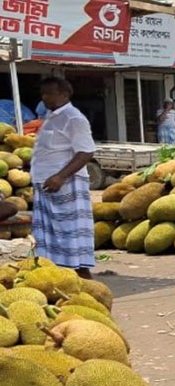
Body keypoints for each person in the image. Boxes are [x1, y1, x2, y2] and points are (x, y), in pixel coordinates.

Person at [31, 77, 97, 279]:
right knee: (51, 239)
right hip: (45, 185)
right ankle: (57, 277)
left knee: (69, 236)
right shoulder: (51, 117)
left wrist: (60, 177)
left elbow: (86, 152)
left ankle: (83, 278)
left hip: (65, 186)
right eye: (43, 94)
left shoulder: (73, 118)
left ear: (65, 94)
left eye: (50, 93)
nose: (45, 97)